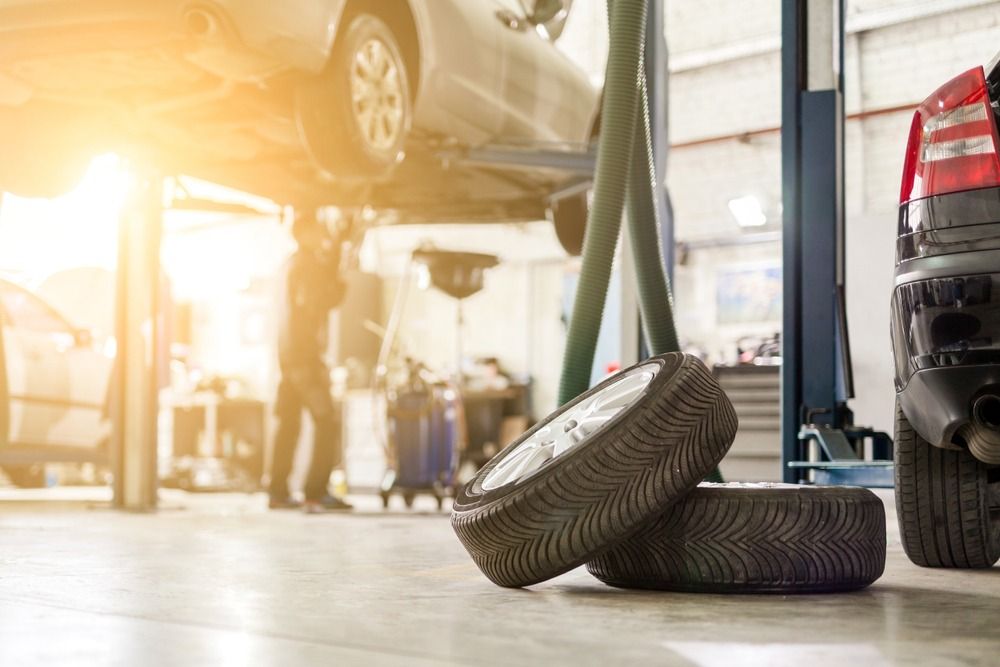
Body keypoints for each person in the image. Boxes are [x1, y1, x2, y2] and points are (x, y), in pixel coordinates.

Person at [269, 212, 353, 512]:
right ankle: (316, 491)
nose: (323, 236)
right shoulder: (305, 266)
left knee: (288, 423)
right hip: (304, 358)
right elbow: (320, 300)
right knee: (327, 420)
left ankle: (277, 491)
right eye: (318, 231)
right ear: (304, 233)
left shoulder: (288, 265)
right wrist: (339, 274)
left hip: (287, 356)